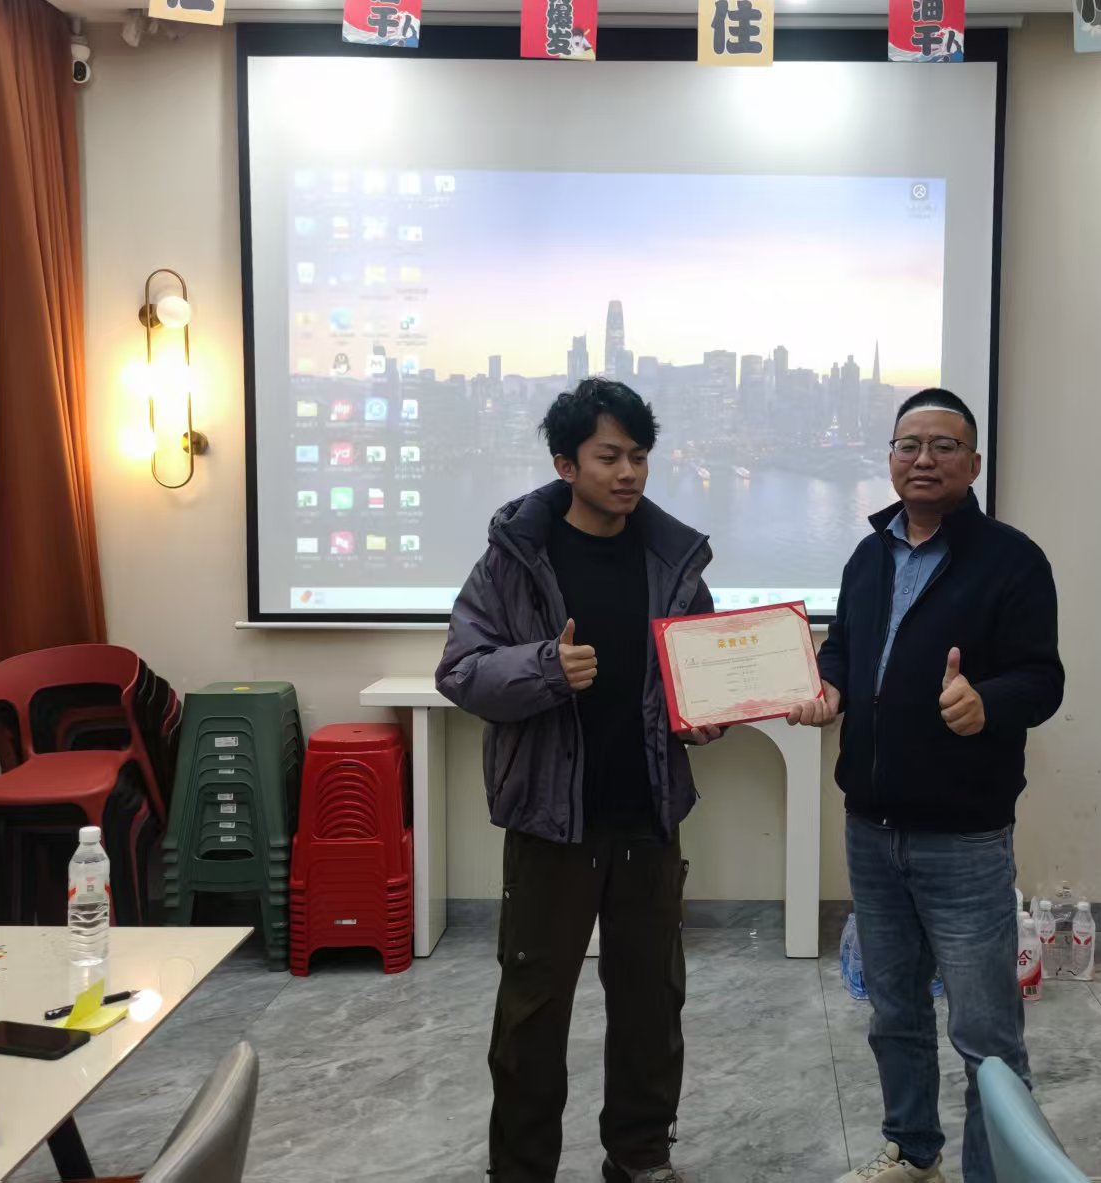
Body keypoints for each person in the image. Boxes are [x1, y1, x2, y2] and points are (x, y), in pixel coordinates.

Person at [436, 378, 721, 1183]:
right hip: (550, 821)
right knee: (532, 1012)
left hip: (648, 815)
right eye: (609, 456)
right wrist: (545, 669)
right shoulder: (513, 559)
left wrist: (707, 715)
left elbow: (701, 674)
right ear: (565, 463)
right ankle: (521, 1169)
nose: (628, 472)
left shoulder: (672, 560)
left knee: (652, 1003)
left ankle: (640, 1156)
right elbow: (460, 668)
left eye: (639, 456)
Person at [791, 387, 1065, 1183]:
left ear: (973, 464)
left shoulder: (1012, 560)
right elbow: (843, 649)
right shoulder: (868, 556)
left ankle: (992, 1173)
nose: (923, 459)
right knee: (895, 1012)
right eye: (908, 444)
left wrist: (988, 702)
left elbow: (1042, 679)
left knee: (987, 1036)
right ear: (889, 458)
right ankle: (913, 1154)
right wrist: (830, 685)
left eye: (944, 445)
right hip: (871, 829)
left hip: (964, 840)